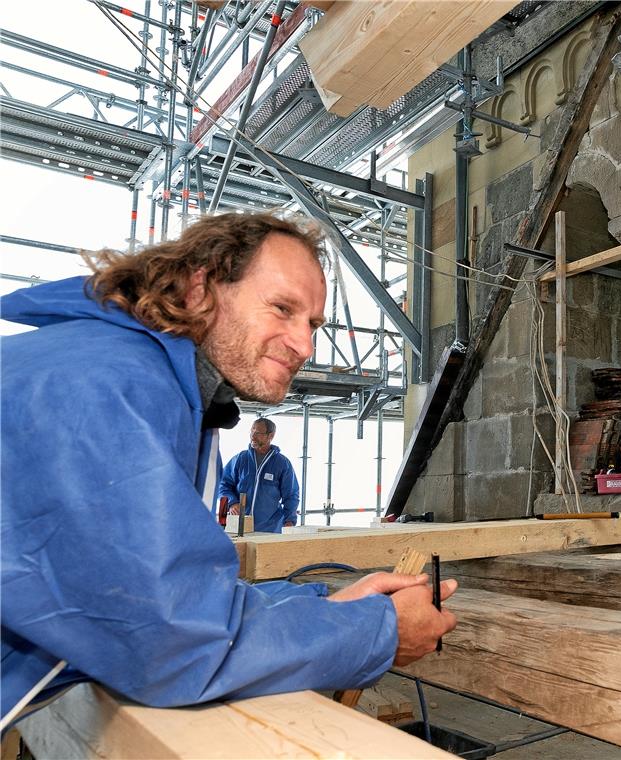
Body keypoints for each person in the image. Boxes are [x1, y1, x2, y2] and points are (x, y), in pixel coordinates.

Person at [0, 212, 457, 730]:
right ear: (201, 289)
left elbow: (161, 593)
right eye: (282, 308)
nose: (305, 346)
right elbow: (168, 643)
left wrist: (329, 601)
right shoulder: (104, 387)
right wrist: (381, 631)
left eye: (311, 324)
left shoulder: (137, 377)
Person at [218, 417, 300, 532]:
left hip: (270, 529)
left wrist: (289, 521)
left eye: (257, 433)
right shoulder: (241, 459)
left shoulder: (282, 463)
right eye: (251, 432)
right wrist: (232, 502)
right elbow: (222, 484)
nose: (252, 436)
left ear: (270, 436)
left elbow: (291, 495)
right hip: (239, 527)